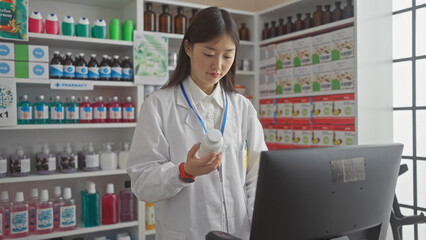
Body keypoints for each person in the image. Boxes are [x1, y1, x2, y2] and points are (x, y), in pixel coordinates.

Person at [127, 6, 267, 240]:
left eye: (227, 56)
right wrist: (183, 171)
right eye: (209, 54)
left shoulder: (243, 108)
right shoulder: (158, 105)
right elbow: (142, 183)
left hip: (239, 234)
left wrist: (259, 225)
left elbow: (258, 176)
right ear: (188, 47)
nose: (218, 66)